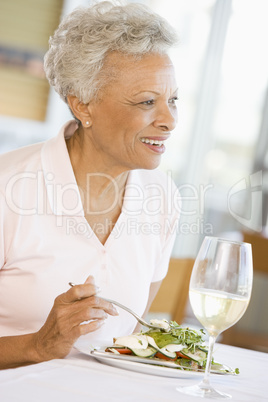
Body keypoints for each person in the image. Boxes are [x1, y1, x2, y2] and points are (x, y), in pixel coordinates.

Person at [0, 1, 180, 369]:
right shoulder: (9, 187)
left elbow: (128, 345)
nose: (169, 121)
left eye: (173, 100)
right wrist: (38, 346)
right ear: (83, 107)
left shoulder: (163, 198)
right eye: (147, 101)